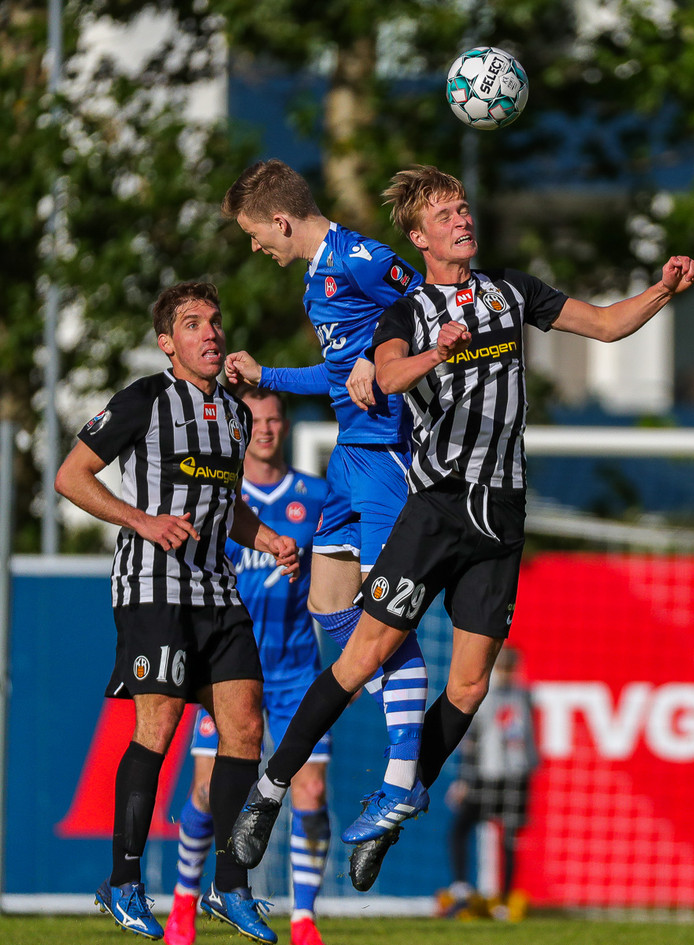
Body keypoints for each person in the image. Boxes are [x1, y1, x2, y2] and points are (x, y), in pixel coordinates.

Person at [228, 164, 694, 892]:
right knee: (361, 654)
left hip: (501, 510)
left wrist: (664, 289)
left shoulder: (511, 291)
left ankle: (394, 800)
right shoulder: (409, 309)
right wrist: (434, 353)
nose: (462, 219)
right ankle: (269, 790)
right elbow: (387, 375)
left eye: (463, 208)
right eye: (446, 214)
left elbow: (607, 324)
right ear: (419, 237)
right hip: (437, 504)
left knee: (472, 684)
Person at [55, 281, 299, 944]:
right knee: (158, 726)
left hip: (217, 590)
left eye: (214, 321)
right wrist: (141, 519)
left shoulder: (237, 413)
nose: (209, 333)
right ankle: (123, 881)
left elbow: (226, 505)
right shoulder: (145, 398)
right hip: (153, 587)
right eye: (193, 324)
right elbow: (70, 476)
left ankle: (229, 885)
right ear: (168, 342)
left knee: (245, 726)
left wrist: (268, 537)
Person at [221, 160, 431, 872]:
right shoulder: (318, 280)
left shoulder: (363, 258)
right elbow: (341, 375)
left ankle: (401, 774)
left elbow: (437, 308)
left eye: (255, 236)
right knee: (329, 604)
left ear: (281, 222)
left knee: (381, 624)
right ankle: (402, 744)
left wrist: (383, 355)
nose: (256, 248)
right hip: (349, 455)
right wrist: (268, 376)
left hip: (389, 456)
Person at [163, 387, 329, 945]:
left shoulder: (315, 496)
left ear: (286, 426)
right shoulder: (220, 499)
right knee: (207, 794)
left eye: (274, 419)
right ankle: (184, 902)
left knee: (310, 793)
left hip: (297, 672)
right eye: (255, 421)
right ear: (239, 429)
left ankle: (304, 921)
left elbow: (338, 578)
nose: (265, 429)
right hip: (230, 672)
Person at [440, 645, 538, 921]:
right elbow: (473, 741)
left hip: (507, 776)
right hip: (496, 776)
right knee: (462, 829)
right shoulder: (520, 695)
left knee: (507, 839)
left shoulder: (508, 696)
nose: (505, 673)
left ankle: (500, 898)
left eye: (508, 668)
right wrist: (465, 780)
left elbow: (474, 741)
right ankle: (465, 887)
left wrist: (464, 779)